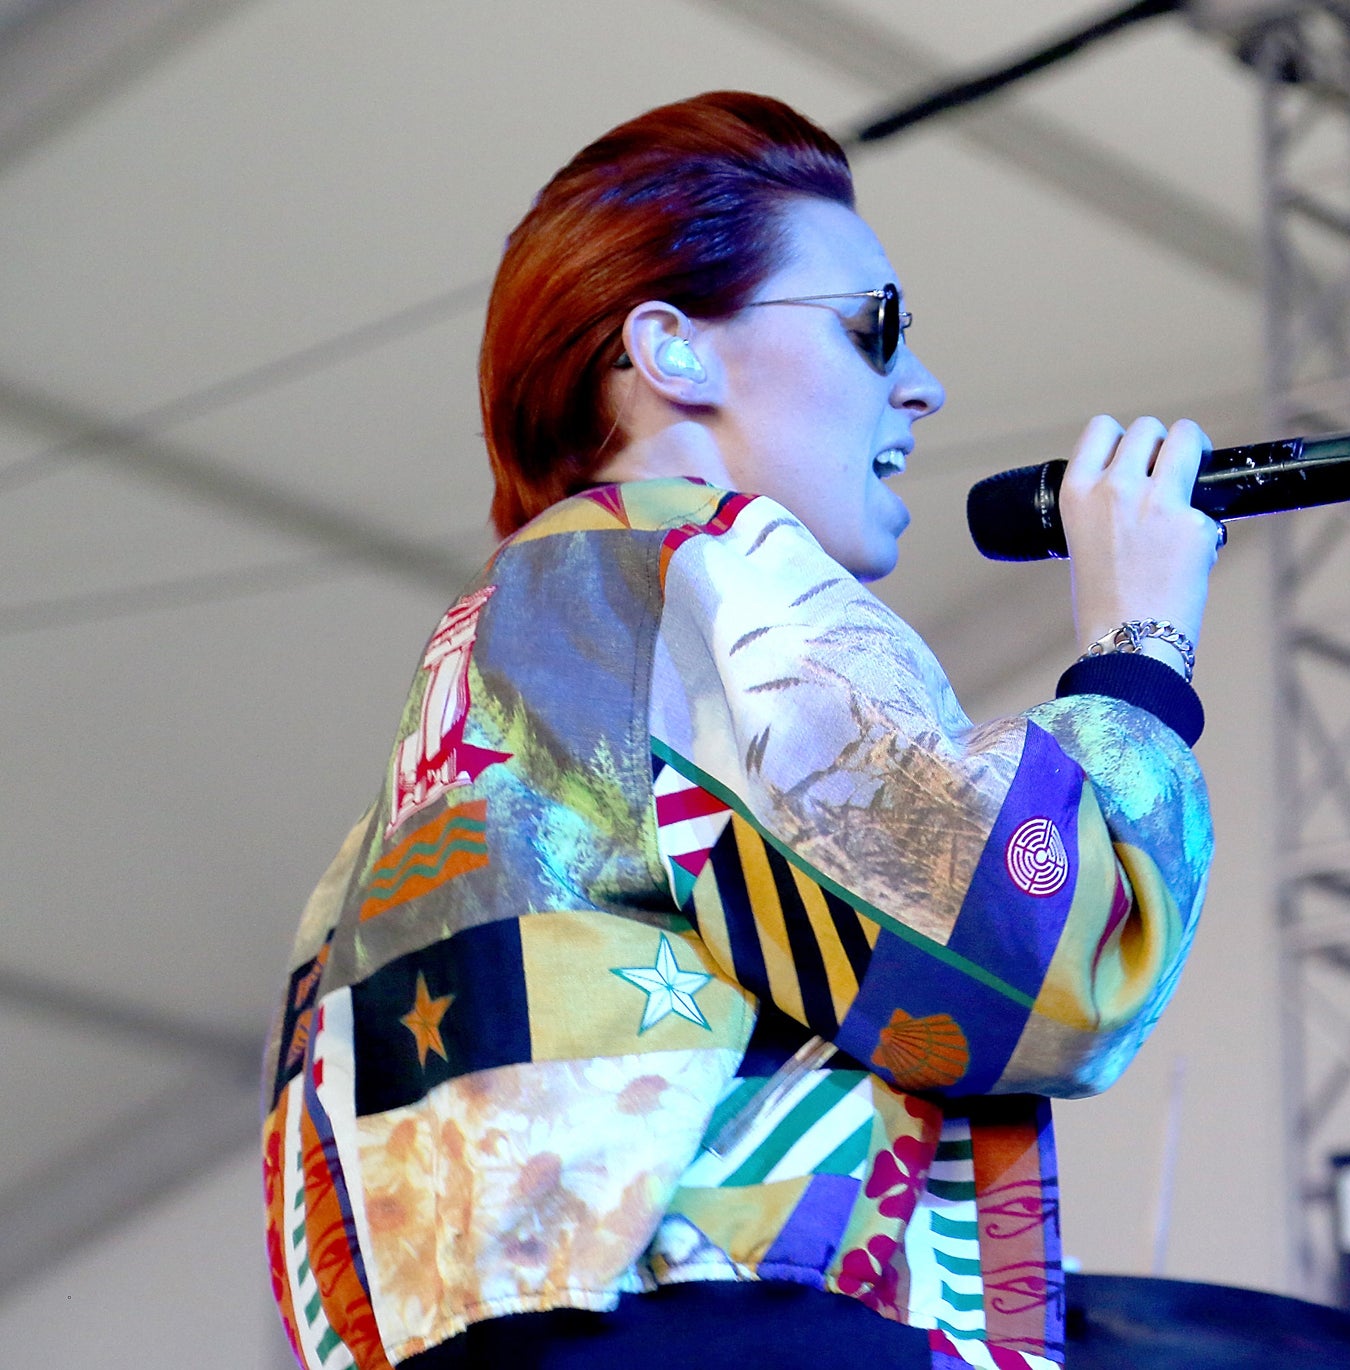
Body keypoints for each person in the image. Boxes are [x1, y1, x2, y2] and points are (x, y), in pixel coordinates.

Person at [261, 91, 1219, 1370]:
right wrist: (1138, 647)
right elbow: (1030, 950)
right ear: (672, 350)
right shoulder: (701, 566)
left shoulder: (467, 703)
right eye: (875, 328)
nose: (921, 388)